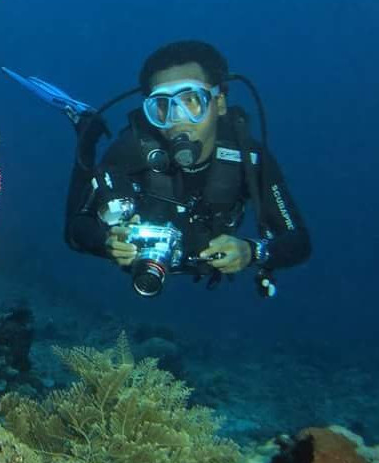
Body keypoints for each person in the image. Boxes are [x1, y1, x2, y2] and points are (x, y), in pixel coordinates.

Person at [64, 40, 310, 296]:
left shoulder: (249, 158)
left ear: (220, 103)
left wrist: (252, 251)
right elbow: (76, 229)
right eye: (162, 105)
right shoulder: (131, 150)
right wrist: (107, 243)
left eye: (191, 100)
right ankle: (87, 132)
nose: (177, 118)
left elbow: (299, 241)